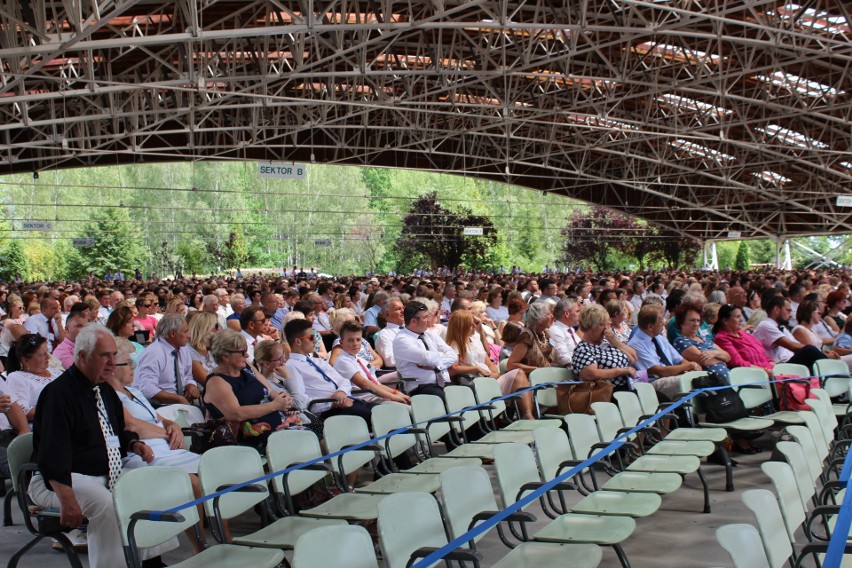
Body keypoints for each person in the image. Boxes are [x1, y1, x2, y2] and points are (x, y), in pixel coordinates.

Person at [29, 325, 152, 568]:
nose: (111, 362)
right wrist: (67, 498)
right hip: (58, 479)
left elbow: (117, 430)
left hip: (103, 473)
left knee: (145, 488)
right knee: (106, 505)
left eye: (113, 355)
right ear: (83, 357)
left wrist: (133, 443)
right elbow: (52, 454)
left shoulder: (104, 389)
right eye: (104, 355)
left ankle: (147, 560)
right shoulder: (58, 394)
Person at [109, 338, 200, 473]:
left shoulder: (134, 391)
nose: (133, 367)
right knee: (192, 479)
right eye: (128, 363)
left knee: (211, 470)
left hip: (166, 451)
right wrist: (167, 434)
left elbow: (160, 419)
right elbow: (132, 426)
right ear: (112, 368)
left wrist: (173, 426)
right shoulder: (110, 396)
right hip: (144, 454)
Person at [202, 330, 294, 450]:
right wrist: (275, 406)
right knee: (308, 442)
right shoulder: (216, 382)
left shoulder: (246, 367)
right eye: (242, 352)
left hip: (279, 428)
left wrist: (281, 400)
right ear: (225, 355)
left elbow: (269, 390)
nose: (247, 355)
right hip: (251, 441)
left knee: (316, 435)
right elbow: (236, 414)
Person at [444, 311, 535, 419]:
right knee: (518, 374)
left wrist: (495, 374)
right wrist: (475, 368)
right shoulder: (455, 345)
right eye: (471, 324)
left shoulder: (475, 340)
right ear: (462, 326)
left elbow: (489, 363)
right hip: (475, 383)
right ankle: (526, 415)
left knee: (519, 374)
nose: (474, 326)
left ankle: (527, 414)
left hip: (490, 379)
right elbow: (453, 369)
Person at [285, 319, 377, 420]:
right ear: (298, 341)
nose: (315, 341)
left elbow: (343, 381)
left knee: (388, 411)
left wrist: (341, 392)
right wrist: (333, 402)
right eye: (311, 337)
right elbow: (301, 402)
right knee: (382, 417)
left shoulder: (316, 361)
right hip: (330, 412)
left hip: (349, 402)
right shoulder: (291, 366)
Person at [628, 305, 702, 400]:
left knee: (703, 378)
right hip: (652, 383)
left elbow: (680, 360)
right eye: (661, 324)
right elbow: (660, 371)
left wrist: (693, 368)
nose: (663, 327)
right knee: (689, 381)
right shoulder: (635, 345)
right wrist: (690, 366)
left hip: (670, 377)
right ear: (650, 326)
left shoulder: (659, 338)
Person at [332, 321, 411, 405]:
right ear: (341, 343)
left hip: (375, 396)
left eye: (358, 340)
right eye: (350, 340)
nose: (355, 344)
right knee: (406, 410)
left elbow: (376, 384)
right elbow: (365, 384)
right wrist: (394, 397)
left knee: (412, 405)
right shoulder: (343, 361)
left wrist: (396, 393)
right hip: (363, 401)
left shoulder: (360, 360)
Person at [392, 301, 457, 398]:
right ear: (414, 321)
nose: (429, 320)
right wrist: (441, 354)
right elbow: (426, 358)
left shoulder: (429, 334)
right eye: (425, 317)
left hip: (443, 383)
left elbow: (453, 355)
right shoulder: (402, 339)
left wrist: (436, 366)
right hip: (420, 387)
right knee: (445, 397)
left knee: (464, 394)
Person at [133, 314, 201, 406]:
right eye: (185, 332)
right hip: (158, 407)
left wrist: (191, 385)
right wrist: (178, 399)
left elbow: (187, 376)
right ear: (172, 333)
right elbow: (147, 389)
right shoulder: (154, 353)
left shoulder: (183, 348)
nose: (189, 336)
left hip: (178, 403)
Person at [752, 295, 830, 372]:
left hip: (790, 362)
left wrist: (821, 354)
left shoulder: (782, 327)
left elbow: (797, 344)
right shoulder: (766, 325)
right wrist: (820, 353)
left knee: (811, 355)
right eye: (788, 310)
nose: (791, 315)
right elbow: (792, 346)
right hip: (779, 366)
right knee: (810, 350)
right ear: (776, 309)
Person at [572, 304, 636, 393]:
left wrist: (615, 342)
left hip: (629, 387)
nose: (606, 328)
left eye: (607, 323)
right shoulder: (583, 349)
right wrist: (621, 371)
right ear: (589, 326)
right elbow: (590, 374)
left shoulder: (609, 340)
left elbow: (634, 358)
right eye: (601, 325)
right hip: (607, 393)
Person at [5, 333, 64, 420]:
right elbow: (23, 412)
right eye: (42, 354)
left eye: (47, 352)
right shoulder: (17, 378)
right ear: (26, 360)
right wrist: (61, 409)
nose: (48, 357)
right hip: (42, 427)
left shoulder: (55, 372)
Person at [672, 307, 731, 380]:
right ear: (681, 322)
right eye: (692, 320)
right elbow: (704, 361)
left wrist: (714, 353)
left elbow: (728, 356)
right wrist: (722, 359)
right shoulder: (680, 341)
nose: (696, 324)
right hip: (711, 380)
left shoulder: (705, 338)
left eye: (698, 321)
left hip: (726, 376)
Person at [711, 304, 774, 371]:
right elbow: (738, 363)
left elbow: (763, 355)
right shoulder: (721, 338)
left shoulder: (743, 334)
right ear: (725, 321)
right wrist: (764, 371)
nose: (741, 320)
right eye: (737, 317)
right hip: (753, 375)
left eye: (741, 316)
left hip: (768, 371)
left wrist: (772, 363)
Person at [507, 301, 555, 374]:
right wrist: (537, 370)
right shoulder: (526, 336)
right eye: (548, 314)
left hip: (547, 376)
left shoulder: (544, 333)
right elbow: (511, 364)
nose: (552, 316)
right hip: (530, 379)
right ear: (539, 319)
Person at [187, 311, 220, 386]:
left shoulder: (211, 348)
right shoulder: (190, 351)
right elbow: (208, 382)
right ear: (205, 329)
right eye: (217, 326)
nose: (219, 330)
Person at [549, 297, 582, 367]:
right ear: (567, 313)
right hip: (566, 373)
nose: (580, 314)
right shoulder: (556, 330)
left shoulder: (571, 330)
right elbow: (564, 359)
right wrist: (584, 362)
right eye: (577, 311)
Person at [374, 299, 405, 368]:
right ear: (387, 314)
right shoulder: (384, 335)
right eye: (398, 309)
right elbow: (390, 361)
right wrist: (414, 359)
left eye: (403, 308)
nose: (403, 311)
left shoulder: (411, 328)